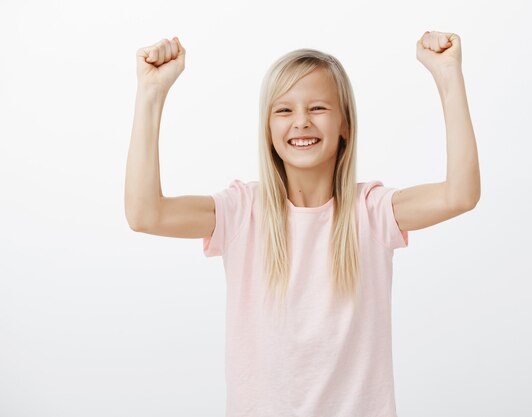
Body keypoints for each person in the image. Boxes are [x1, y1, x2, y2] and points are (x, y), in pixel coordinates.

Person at [125, 31, 480, 417]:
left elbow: (459, 194)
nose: (301, 122)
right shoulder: (242, 211)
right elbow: (145, 214)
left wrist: (448, 76)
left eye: (318, 108)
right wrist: (151, 93)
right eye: (284, 110)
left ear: (345, 124)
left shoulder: (371, 212)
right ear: (268, 129)